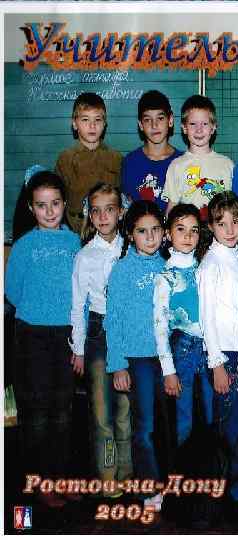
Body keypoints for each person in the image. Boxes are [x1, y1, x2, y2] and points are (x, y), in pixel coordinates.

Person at [6, 171, 81, 508]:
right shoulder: (23, 245)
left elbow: (82, 289)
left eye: (55, 204)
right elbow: (12, 291)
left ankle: (60, 476)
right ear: (30, 208)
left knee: (63, 410)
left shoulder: (75, 242)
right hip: (32, 335)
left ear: (64, 204)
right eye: (41, 205)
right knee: (36, 411)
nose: (49, 212)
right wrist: (39, 309)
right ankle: (39, 481)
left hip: (66, 335)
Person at [104, 200, 168, 512]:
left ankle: (170, 482)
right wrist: (117, 365)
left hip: (168, 357)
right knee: (144, 427)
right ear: (130, 234)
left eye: (156, 229)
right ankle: (149, 488)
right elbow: (112, 320)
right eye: (142, 231)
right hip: (138, 358)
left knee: (168, 425)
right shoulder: (122, 271)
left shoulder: (169, 265)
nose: (150, 237)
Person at [196, 191, 238, 516]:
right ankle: (228, 495)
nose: (230, 229)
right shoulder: (211, 264)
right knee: (228, 429)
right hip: (225, 355)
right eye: (222, 224)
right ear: (211, 227)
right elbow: (206, 319)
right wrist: (216, 363)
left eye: (235, 222)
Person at [70, 182, 130, 497]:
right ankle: (108, 477)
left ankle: (127, 473)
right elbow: (77, 305)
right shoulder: (85, 256)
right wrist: (79, 348)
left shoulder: (131, 249)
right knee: (101, 412)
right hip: (97, 333)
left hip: (128, 333)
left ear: (120, 212)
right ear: (90, 216)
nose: (103, 216)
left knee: (124, 410)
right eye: (96, 211)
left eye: (110, 209)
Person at [153, 204, 212, 447]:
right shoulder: (165, 277)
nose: (188, 235)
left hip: (210, 347)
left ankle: (212, 464)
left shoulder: (205, 268)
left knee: (212, 413)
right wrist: (168, 370)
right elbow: (159, 327)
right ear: (168, 234)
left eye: (193, 230)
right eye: (180, 229)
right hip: (182, 348)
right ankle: (179, 466)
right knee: (183, 416)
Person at [55, 92, 122, 232]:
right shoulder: (65, 159)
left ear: (104, 123)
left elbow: (122, 198)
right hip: (75, 228)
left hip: (109, 229)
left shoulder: (116, 158)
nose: (92, 126)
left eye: (97, 120)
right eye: (85, 120)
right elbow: (58, 200)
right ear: (75, 124)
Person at [162, 95, 233, 221]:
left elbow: (233, 207)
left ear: (213, 127)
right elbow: (172, 208)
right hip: (189, 231)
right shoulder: (176, 166)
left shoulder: (227, 165)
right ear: (184, 128)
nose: (199, 130)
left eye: (204, 124)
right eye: (193, 124)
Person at [121, 90, 183, 212]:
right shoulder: (130, 162)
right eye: (147, 120)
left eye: (160, 118)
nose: (154, 125)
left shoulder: (183, 162)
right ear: (140, 125)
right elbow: (127, 207)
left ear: (170, 120)